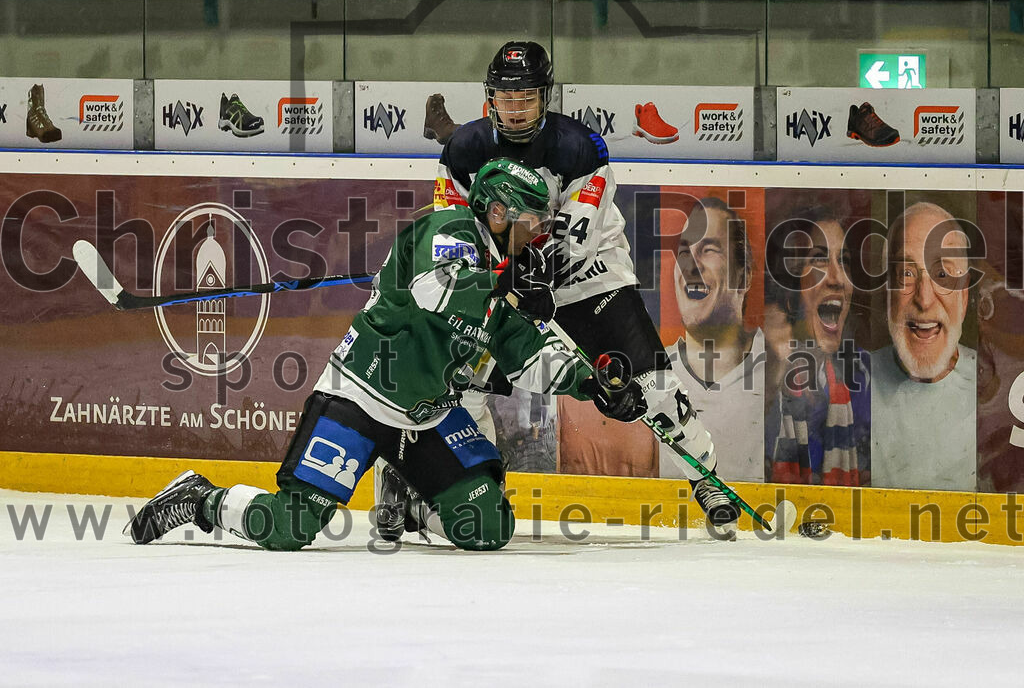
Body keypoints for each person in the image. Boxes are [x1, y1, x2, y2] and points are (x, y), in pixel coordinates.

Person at [125, 160, 646, 551]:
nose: (537, 237)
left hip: (426, 417)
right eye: (531, 224)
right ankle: (199, 497)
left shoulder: (508, 277)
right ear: (496, 212)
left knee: (487, 527)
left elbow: (530, 353)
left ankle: (415, 494)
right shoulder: (445, 231)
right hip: (361, 399)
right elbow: (437, 290)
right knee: (289, 528)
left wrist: (593, 385)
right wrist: (506, 283)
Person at [405, 40, 740, 529]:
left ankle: (706, 476)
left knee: (654, 389)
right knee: (460, 380)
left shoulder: (580, 148)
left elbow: (575, 240)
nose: (515, 110)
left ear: (546, 97)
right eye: (504, 98)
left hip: (591, 278)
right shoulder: (463, 150)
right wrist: (476, 274)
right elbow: (451, 229)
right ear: (489, 98)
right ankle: (471, 490)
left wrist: (531, 274)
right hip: (509, 283)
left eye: (526, 99)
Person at [871, 201, 976, 491]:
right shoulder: (851, 386)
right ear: (887, 293)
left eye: (943, 275)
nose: (924, 299)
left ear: (964, 296)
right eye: (906, 273)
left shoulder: (998, 389)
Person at [765, 206, 871, 486]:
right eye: (820, 260)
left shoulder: (866, 374)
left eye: (843, 261)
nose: (837, 279)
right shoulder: (759, 374)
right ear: (790, 287)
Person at [664, 196, 764, 482]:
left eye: (708, 250)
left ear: (744, 277)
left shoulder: (782, 372)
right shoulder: (650, 374)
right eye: (683, 252)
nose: (691, 265)